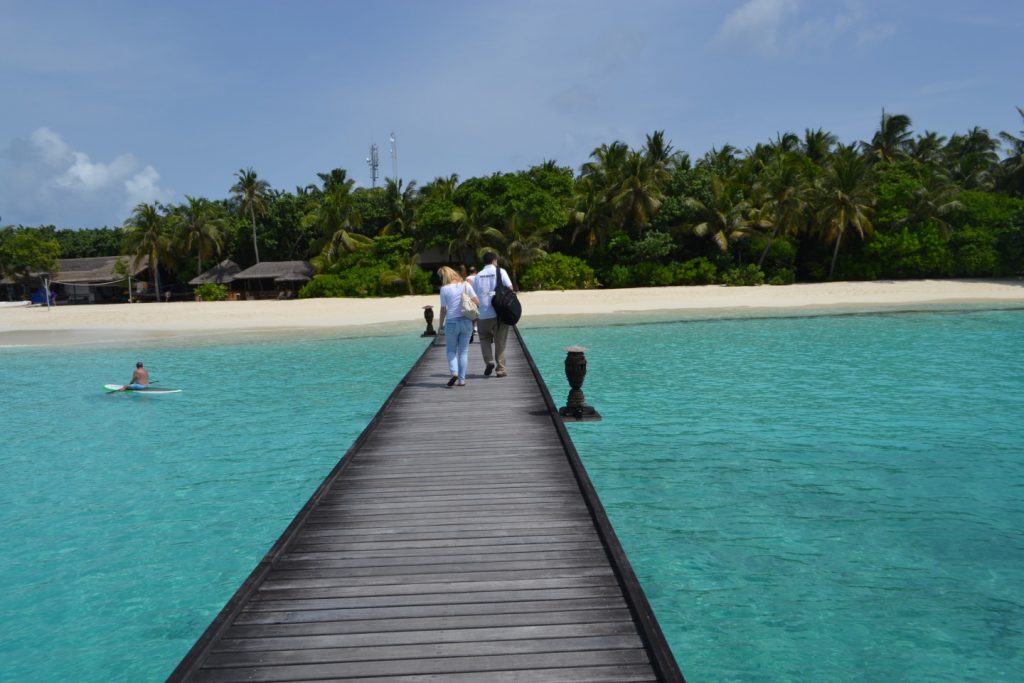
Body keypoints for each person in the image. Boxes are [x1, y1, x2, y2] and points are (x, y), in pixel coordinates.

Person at [472, 252, 514, 377]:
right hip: (499, 313)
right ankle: (501, 369)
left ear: (484, 262)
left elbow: (475, 296)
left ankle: (489, 361)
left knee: (484, 338)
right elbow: (510, 288)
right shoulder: (501, 271)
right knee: (500, 341)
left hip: (483, 313)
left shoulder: (478, 276)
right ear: (495, 260)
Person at [436, 266, 478, 386]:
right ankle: (462, 379)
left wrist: (440, 325)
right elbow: (477, 301)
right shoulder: (466, 285)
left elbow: (443, 309)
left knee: (451, 350)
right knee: (464, 352)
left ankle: (454, 372)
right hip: (466, 321)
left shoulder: (444, 289)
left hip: (451, 322)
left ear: (444, 277)